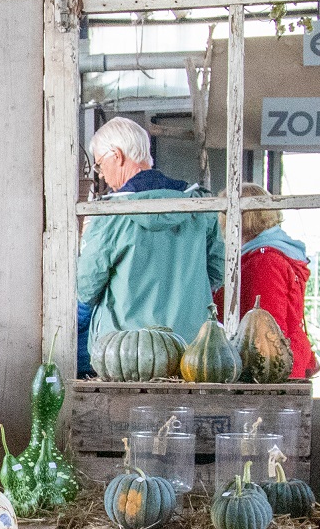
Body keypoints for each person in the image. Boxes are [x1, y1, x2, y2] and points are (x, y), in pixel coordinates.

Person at [74, 117, 223, 375]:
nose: (102, 175)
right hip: (192, 353)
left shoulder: (110, 215)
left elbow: (86, 286)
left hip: (125, 355)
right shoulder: (199, 205)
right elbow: (218, 271)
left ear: (117, 155)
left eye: (99, 164)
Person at [236, 183, 317, 380]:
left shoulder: (265, 261)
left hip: (273, 372)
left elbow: (269, 330)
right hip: (285, 363)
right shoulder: (276, 252)